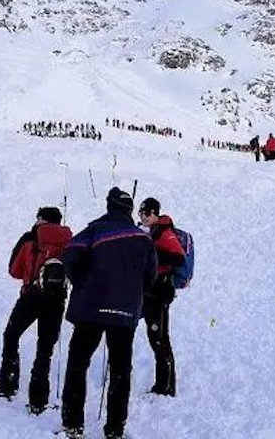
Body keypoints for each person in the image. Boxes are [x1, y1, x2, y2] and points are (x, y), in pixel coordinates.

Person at [60, 187, 156, 439]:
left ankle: (72, 423)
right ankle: (115, 428)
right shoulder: (144, 239)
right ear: (129, 209)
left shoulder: (95, 230)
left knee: (78, 364)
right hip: (125, 312)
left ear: (109, 206)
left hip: (90, 308)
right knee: (121, 370)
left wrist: (82, 282)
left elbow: (69, 254)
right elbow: (150, 276)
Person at [0, 207, 73, 413]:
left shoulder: (30, 238)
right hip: (56, 300)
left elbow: (14, 270)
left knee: (11, 335)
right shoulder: (69, 240)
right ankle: (38, 400)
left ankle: (8, 384)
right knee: (45, 348)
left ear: (40, 219)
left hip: (31, 296)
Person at [137, 197, 185, 397]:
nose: (143, 216)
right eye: (141, 213)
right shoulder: (147, 232)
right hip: (148, 292)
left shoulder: (165, 232)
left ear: (156, 213)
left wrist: (153, 254)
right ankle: (163, 384)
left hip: (160, 293)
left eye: (147, 213)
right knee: (154, 336)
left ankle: (166, 386)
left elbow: (179, 257)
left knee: (159, 338)